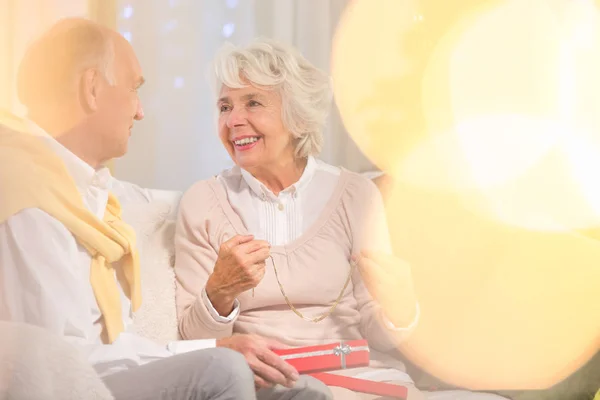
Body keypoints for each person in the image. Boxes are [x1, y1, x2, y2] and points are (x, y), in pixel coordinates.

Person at [0, 18, 330, 400]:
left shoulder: (87, 192)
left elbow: (163, 201)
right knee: (222, 369)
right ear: (92, 89)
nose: (140, 111)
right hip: (77, 387)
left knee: (302, 390)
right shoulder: (25, 195)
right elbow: (57, 366)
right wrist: (210, 348)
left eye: (253, 103)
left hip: (111, 371)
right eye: (133, 89)